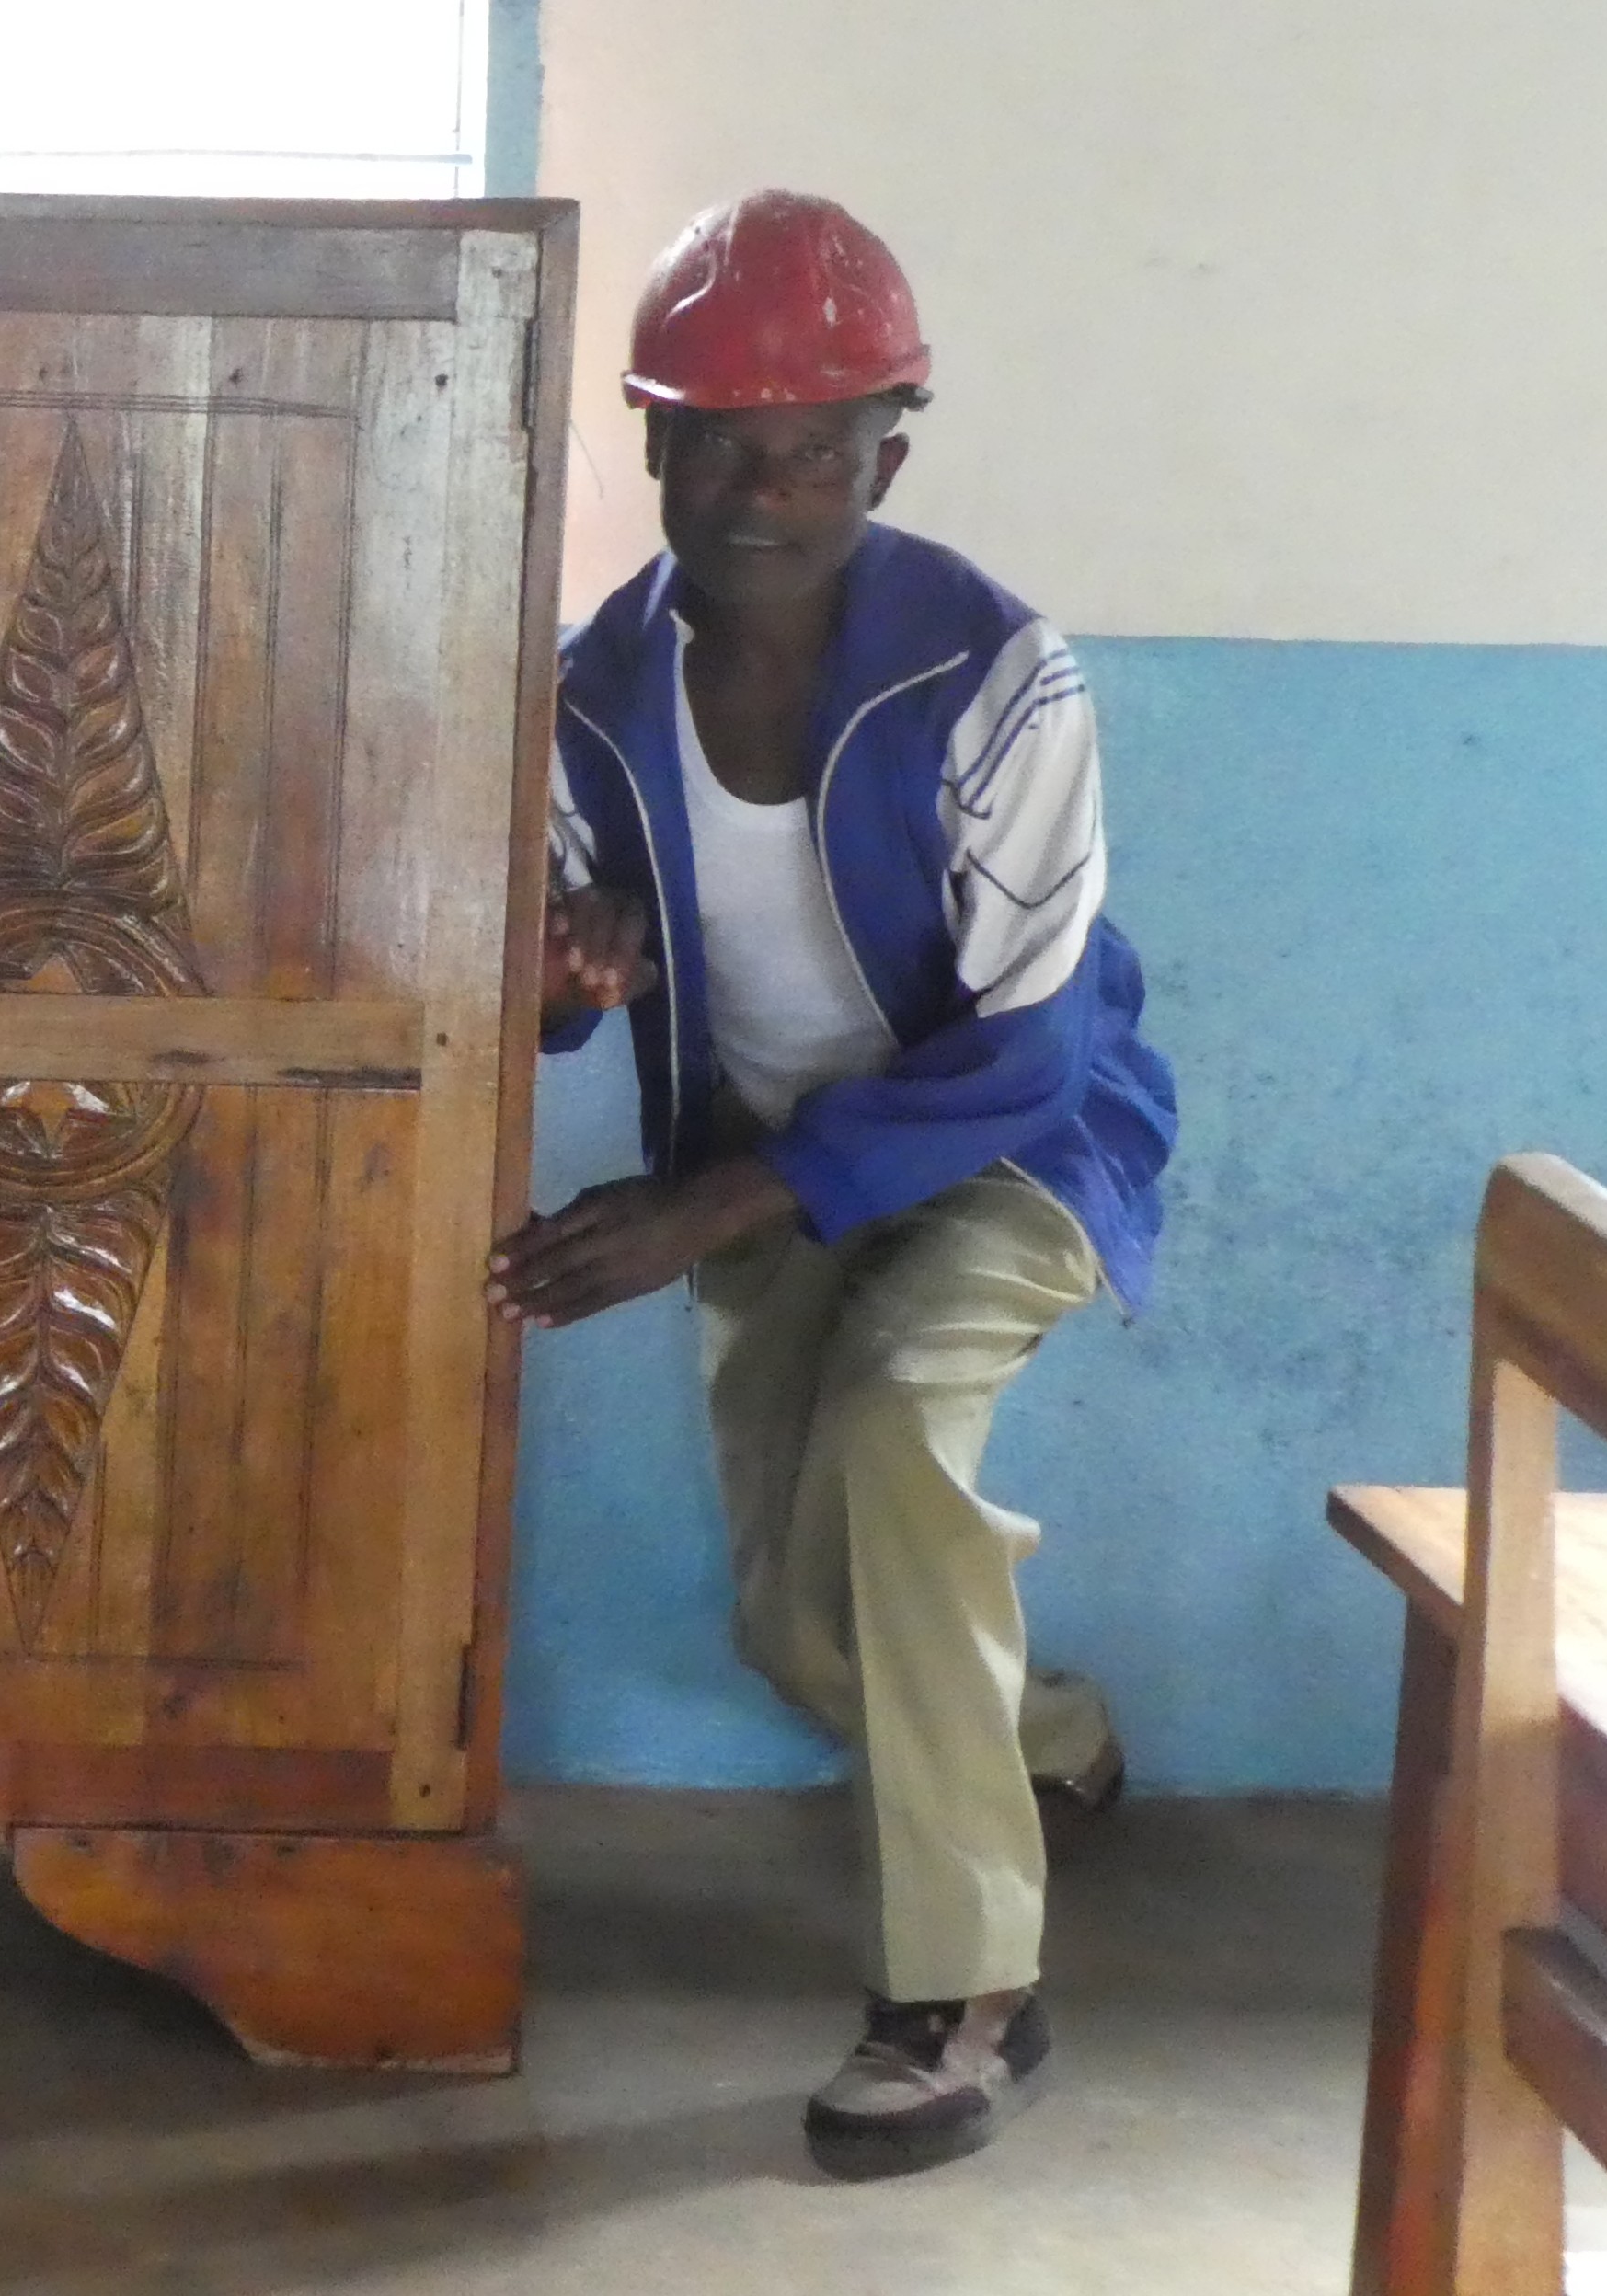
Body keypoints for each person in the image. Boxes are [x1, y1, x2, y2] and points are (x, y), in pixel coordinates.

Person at [491, 189, 1179, 2178]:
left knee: (889, 1432)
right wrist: (569, 971)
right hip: (760, 1156)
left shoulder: (999, 679)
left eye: (813, 448)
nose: (763, 492)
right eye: (717, 443)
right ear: (653, 446)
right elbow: (542, 999)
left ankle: (968, 1995)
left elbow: (1027, 1048)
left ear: (891, 450)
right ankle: (1041, 1738)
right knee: (800, 1623)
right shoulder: (589, 696)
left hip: (1008, 1146)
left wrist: (697, 1217)